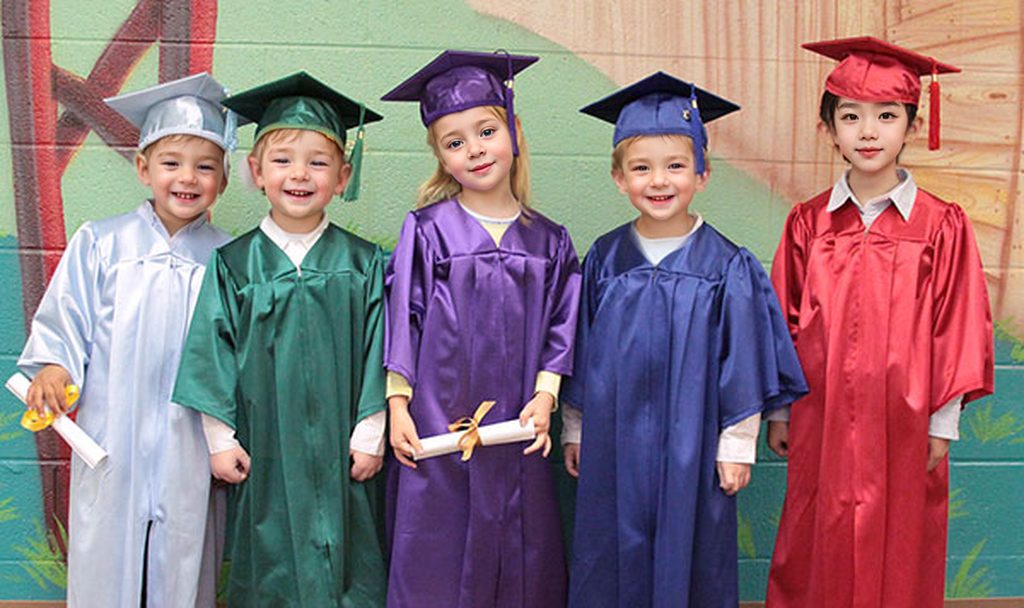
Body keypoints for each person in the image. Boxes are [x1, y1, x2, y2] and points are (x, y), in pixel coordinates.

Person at [562, 71, 807, 608]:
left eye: (676, 166)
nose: (659, 181)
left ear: (703, 174)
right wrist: (575, 429)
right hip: (613, 442)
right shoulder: (604, 259)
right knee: (608, 550)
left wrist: (737, 446)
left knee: (693, 554)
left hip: (693, 449)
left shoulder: (727, 265)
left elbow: (742, 362)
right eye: (641, 168)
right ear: (618, 178)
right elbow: (581, 350)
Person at [766, 37, 994, 608]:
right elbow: (780, 321)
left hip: (907, 420)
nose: (869, 132)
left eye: (887, 116)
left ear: (912, 127)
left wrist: (943, 421)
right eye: (851, 117)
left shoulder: (942, 225)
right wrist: (779, 408)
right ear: (829, 130)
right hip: (818, 417)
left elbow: (959, 321)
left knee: (901, 541)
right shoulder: (807, 224)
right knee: (815, 536)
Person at [171, 72, 388, 607]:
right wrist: (220, 441)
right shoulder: (234, 264)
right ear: (256, 171)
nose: (300, 174)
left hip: (345, 448)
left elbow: (380, 351)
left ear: (343, 176)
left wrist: (370, 429)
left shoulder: (363, 264)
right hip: (263, 447)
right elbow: (210, 353)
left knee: (348, 553)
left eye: (318, 162)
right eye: (283, 160)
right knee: (267, 557)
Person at [18, 73, 235, 607]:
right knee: (105, 549)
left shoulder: (230, 257)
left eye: (205, 167)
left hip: (191, 436)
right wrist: (54, 366)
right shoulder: (101, 241)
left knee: (186, 547)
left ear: (223, 181)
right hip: (111, 433)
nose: (187, 178)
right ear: (143, 168)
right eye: (171, 164)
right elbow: (64, 321)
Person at [380, 50, 581, 608]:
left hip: (519, 424)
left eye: (486, 131)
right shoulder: (427, 231)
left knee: (522, 548)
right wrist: (398, 408)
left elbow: (561, 329)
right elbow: (404, 321)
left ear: (514, 130)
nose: (474, 150)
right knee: (436, 549)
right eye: (454, 141)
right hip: (436, 423)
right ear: (442, 158)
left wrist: (546, 397)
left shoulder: (550, 241)